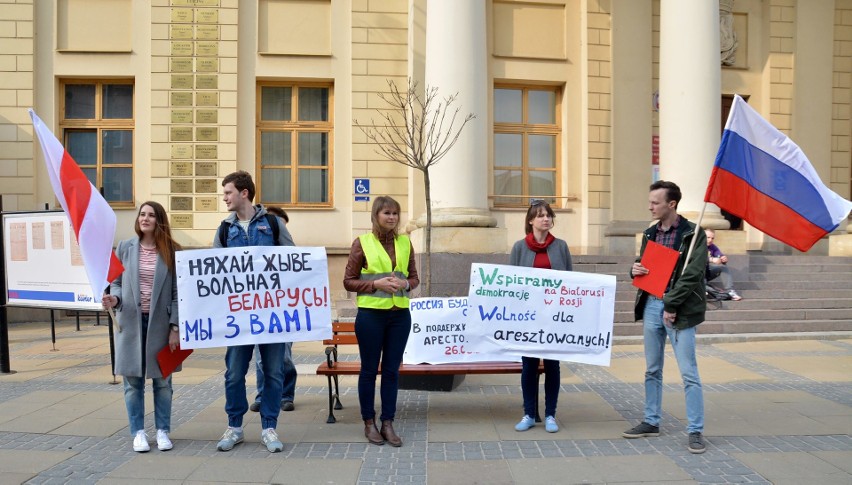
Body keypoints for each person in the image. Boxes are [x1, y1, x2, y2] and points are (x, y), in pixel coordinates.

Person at [623, 180, 708, 454]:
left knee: (689, 373)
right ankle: (651, 420)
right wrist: (634, 269)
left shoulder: (693, 234)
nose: (650, 206)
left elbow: (693, 275)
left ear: (671, 204)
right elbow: (645, 266)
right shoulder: (650, 233)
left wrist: (671, 303)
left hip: (679, 310)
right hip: (650, 305)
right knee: (652, 368)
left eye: (655, 202)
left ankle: (695, 430)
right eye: (650, 202)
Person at [213, 171, 295, 453]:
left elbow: (293, 260)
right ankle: (234, 426)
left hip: (271, 315)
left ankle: (269, 427)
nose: (224, 198)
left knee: (273, 372)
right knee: (234, 373)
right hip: (239, 317)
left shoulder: (272, 224)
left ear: (244, 193)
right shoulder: (224, 228)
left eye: (228, 193)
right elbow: (213, 271)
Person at [102, 201, 181, 453]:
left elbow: (179, 293)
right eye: (142, 214)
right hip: (131, 323)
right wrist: (115, 299)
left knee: (163, 381)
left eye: (151, 215)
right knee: (133, 382)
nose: (145, 219)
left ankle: (162, 430)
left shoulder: (172, 251)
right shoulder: (125, 248)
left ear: (160, 220)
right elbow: (115, 283)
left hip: (161, 324)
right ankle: (138, 432)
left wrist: (175, 327)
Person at [343, 196, 419, 447]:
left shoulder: (406, 243)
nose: (392, 217)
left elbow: (415, 278)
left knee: (391, 372)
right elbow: (349, 281)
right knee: (368, 371)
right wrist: (375, 284)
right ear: (376, 215)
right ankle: (369, 422)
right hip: (371, 315)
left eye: (396, 213)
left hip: (400, 315)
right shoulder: (361, 243)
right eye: (387, 213)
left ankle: (388, 422)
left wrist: (406, 284)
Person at [510, 199, 572, 434]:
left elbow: (570, 281)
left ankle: (550, 415)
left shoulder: (561, 246)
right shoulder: (519, 247)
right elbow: (512, 282)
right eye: (540, 215)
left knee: (553, 366)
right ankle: (528, 413)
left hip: (554, 318)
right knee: (529, 366)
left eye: (548, 215)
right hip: (528, 318)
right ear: (530, 220)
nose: (546, 219)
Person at [250, 206, 298, 413]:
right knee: (261, 356)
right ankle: (263, 395)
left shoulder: (288, 253)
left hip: (284, 309)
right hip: (259, 309)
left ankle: (286, 394)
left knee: (284, 355)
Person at [705, 229, 742, 301]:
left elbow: (719, 255)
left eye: (712, 238)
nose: (710, 240)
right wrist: (711, 259)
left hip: (706, 273)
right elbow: (694, 258)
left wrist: (723, 259)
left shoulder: (712, 247)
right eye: (708, 237)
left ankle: (730, 291)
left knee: (723, 267)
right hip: (696, 275)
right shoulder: (696, 245)